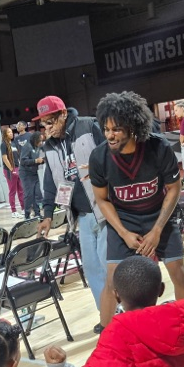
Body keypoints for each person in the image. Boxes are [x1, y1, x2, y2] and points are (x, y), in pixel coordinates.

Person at [89, 91, 184, 327]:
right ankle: (107, 342)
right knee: (111, 282)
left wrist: (157, 230)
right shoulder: (99, 157)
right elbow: (102, 200)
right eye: (106, 129)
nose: (110, 135)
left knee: (178, 272)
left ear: (132, 127)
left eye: (116, 129)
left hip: (159, 216)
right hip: (124, 221)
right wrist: (124, 233)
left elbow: (174, 189)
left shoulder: (158, 148)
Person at [37, 95, 107, 332]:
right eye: (44, 125)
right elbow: (50, 183)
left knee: (110, 266)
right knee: (91, 268)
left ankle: (125, 312)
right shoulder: (49, 146)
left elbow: (112, 158)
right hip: (82, 216)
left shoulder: (89, 127)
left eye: (51, 122)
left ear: (64, 114)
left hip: (106, 209)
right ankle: (107, 315)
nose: (47, 129)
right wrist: (47, 214)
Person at [19, 129, 45, 219]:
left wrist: (42, 161)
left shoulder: (37, 147)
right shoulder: (27, 146)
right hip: (26, 174)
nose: (41, 142)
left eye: (42, 140)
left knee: (37, 193)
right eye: (40, 140)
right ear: (35, 139)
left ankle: (37, 213)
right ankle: (27, 215)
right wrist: (35, 160)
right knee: (29, 194)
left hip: (34, 173)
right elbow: (23, 161)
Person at [0, 125, 25, 219]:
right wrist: (11, 169)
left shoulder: (14, 143)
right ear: (5, 135)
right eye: (9, 132)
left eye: (11, 132)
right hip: (9, 170)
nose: (12, 133)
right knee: (12, 191)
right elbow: (4, 158)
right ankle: (13, 211)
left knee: (21, 190)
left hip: (18, 168)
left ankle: (23, 209)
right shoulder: (3, 144)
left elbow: (17, 156)